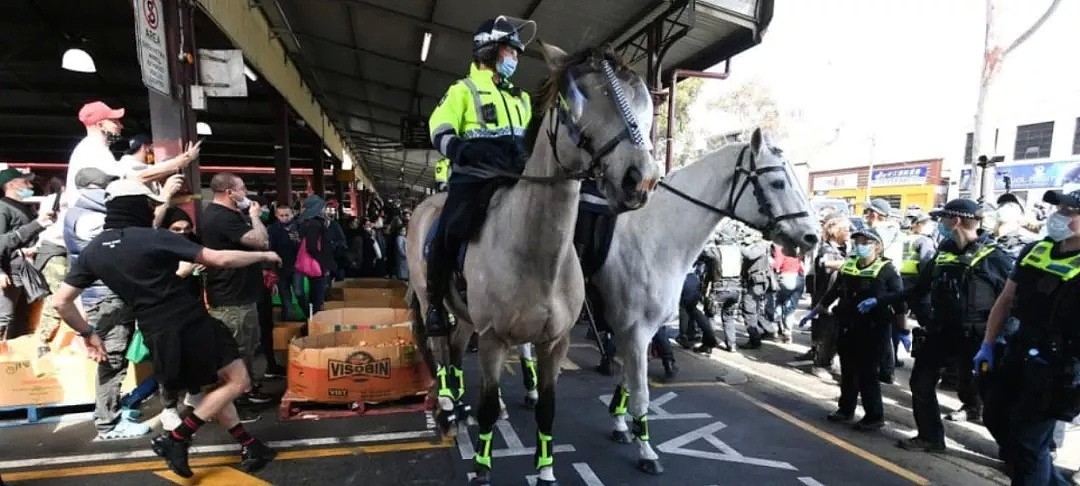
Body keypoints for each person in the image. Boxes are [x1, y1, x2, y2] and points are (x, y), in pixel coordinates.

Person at [52, 179, 279, 478]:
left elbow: (61, 302)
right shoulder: (153, 237)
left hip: (156, 332)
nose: (151, 210)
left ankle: (249, 444)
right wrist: (263, 256)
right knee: (239, 381)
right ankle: (177, 438)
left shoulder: (95, 250)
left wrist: (88, 333)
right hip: (190, 322)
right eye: (148, 205)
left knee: (215, 388)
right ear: (136, 206)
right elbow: (218, 258)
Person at [861, 199, 1012, 452]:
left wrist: (1001, 338)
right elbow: (919, 289)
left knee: (989, 397)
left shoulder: (994, 257)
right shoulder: (944, 251)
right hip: (942, 331)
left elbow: (1012, 300)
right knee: (920, 383)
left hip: (977, 335)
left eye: (943, 219)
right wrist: (881, 300)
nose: (939, 224)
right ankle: (930, 437)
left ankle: (1014, 452)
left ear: (956, 221)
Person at [423, 15, 536, 335]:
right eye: (510, 51)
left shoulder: (521, 98)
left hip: (516, 177)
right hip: (475, 176)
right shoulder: (462, 90)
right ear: (490, 51)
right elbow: (439, 127)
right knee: (448, 229)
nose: (515, 58)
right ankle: (435, 303)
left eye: (515, 53)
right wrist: (460, 150)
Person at [974, 188, 1080, 485]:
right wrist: (988, 344)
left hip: (1060, 363)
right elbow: (1006, 299)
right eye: (1060, 209)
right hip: (1019, 349)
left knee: (1028, 444)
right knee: (995, 418)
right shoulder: (1035, 249)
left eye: (1071, 212)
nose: (1060, 216)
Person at [802, 227, 903, 431]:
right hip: (848, 326)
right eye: (857, 242)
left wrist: (903, 329)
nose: (859, 246)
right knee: (848, 370)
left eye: (865, 243)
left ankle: (874, 416)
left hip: (874, 329)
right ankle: (845, 409)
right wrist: (814, 312)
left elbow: (900, 300)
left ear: (877, 246)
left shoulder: (887, 269)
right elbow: (834, 292)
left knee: (867, 373)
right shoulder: (849, 266)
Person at [199, 173, 273, 408]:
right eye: (242, 188)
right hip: (232, 297)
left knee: (248, 344)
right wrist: (255, 217)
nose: (246, 192)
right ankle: (239, 394)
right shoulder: (222, 218)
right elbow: (261, 241)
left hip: (239, 294)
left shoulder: (226, 215)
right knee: (239, 347)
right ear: (230, 192)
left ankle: (247, 387)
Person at [65, 102, 200, 206]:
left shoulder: (91, 149)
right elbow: (135, 179)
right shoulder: (94, 151)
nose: (120, 126)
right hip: (91, 224)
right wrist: (182, 160)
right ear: (100, 125)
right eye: (115, 121)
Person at [0, 168, 57, 339]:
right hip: (9, 274)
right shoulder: (3, 208)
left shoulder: (23, 208)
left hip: (22, 272)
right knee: (4, 317)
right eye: (25, 182)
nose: (30, 186)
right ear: (12, 185)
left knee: (20, 321)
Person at [799, 214, 851, 380]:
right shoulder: (826, 249)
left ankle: (828, 361)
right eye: (846, 230)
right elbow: (826, 263)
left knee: (834, 334)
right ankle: (820, 364)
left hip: (836, 300)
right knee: (825, 334)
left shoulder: (841, 250)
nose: (848, 233)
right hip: (825, 298)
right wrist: (852, 263)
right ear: (836, 232)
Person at [896, 213, 937, 366]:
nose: (931, 226)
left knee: (898, 319)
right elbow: (926, 262)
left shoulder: (905, 238)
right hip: (917, 283)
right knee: (926, 321)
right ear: (918, 225)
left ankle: (890, 360)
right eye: (927, 223)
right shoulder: (924, 240)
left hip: (901, 280)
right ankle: (927, 358)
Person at [702, 231, 743, 353]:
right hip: (736, 288)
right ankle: (732, 345)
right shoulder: (738, 251)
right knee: (729, 317)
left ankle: (708, 345)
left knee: (710, 315)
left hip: (720, 288)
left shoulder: (715, 251)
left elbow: (702, 252)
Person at [296, 195, 337, 313]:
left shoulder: (308, 223)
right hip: (317, 265)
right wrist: (323, 263)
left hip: (315, 264)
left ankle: (312, 320)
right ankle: (313, 323)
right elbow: (312, 247)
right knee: (317, 298)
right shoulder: (314, 224)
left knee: (315, 296)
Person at [268, 205, 306, 320]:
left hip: (297, 265)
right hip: (280, 266)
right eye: (281, 215)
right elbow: (270, 248)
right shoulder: (273, 229)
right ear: (276, 216)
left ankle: (310, 314)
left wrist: (298, 241)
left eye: (287, 215)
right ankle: (288, 322)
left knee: (299, 292)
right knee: (285, 298)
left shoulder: (299, 227)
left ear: (292, 214)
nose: (284, 218)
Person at [741, 230, 776, 349]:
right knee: (755, 309)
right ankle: (767, 330)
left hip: (757, 282)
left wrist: (738, 247)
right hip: (755, 281)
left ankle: (755, 338)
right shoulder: (760, 245)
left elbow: (751, 255)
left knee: (749, 309)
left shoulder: (760, 246)